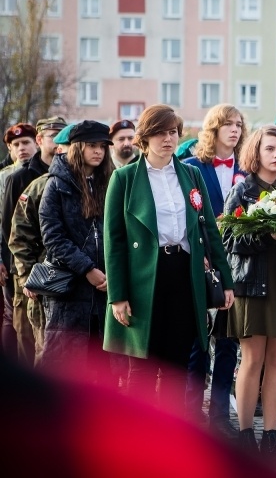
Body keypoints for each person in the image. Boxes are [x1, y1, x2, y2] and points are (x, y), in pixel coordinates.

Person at [103, 104, 235, 416]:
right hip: (144, 278)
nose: (168, 138)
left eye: (173, 131)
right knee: (143, 366)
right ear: (144, 138)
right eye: (160, 132)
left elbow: (210, 231)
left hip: (184, 274)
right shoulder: (123, 179)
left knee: (178, 366)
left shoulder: (191, 174)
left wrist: (225, 280)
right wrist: (117, 296)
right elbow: (115, 242)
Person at [222, 126, 276, 467]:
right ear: (256, 152)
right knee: (252, 360)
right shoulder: (242, 190)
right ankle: (245, 436)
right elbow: (229, 242)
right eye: (270, 148)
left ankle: (271, 437)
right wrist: (268, 235)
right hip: (252, 285)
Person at [184, 103, 247, 436]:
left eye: (238, 124)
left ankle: (221, 414)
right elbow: (183, 217)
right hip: (201, 262)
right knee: (198, 340)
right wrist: (201, 254)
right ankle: (191, 410)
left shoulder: (248, 170)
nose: (234, 130)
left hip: (237, 265)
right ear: (213, 129)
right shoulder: (191, 167)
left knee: (228, 342)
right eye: (227, 124)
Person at [37, 121, 114, 382]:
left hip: (105, 287)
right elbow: (53, 237)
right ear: (78, 147)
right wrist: (87, 269)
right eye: (92, 145)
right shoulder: (57, 184)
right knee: (64, 367)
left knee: (103, 369)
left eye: (103, 146)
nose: (98, 152)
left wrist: (110, 271)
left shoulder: (111, 182)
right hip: (70, 289)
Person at [3, 116, 65, 365]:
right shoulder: (19, 178)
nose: (59, 141)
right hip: (26, 269)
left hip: (58, 270)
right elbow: (10, 229)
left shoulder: (68, 173)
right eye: (53, 136)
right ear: (40, 140)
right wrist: (19, 272)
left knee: (52, 342)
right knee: (27, 338)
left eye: (63, 136)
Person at [0, 123, 37, 360]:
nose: (21, 148)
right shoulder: (5, 178)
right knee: (12, 314)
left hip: (34, 254)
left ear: (37, 143)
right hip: (10, 255)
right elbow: (3, 224)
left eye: (26, 143)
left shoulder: (43, 173)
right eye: (16, 145)